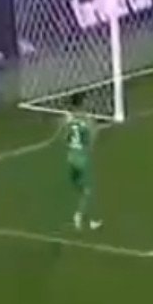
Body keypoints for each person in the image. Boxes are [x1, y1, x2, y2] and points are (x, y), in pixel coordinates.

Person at [63, 93, 103, 231]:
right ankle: (84, 217)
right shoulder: (87, 119)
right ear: (82, 103)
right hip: (82, 158)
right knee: (88, 191)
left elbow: (65, 137)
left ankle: (85, 215)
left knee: (79, 187)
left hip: (71, 157)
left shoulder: (68, 119)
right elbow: (93, 135)